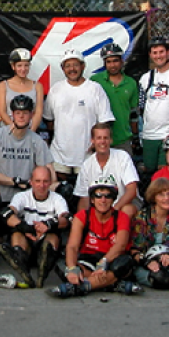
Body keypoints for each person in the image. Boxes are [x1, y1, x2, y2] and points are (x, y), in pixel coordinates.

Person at [49, 177, 140, 298]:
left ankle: (82, 286)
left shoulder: (121, 217)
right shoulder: (82, 216)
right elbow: (72, 246)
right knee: (62, 265)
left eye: (108, 196)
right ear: (92, 199)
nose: (103, 200)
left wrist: (103, 263)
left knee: (124, 264)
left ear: (113, 199)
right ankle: (111, 284)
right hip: (88, 259)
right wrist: (72, 269)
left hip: (112, 259)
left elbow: (121, 245)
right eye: (98, 195)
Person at [43, 49, 114, 180]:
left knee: (86, 193)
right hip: (59, 155)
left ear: (83, 66)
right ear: (63, 68)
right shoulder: (55, 90)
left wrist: (96, 144)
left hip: (87, 153)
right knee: (60, 191)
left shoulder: (95, 89)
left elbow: (104, 121)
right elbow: (49, 120)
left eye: (75, 65)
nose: (72, 69)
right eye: (68, 65)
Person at [0, 166, 70, 288]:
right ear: (31, 182)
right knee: (16, 232)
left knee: (53, 235)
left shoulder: (58, 199)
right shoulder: (21, 196)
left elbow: (66, 219)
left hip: (46, 237)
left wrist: (48, 225)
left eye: (45, 181)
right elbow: (7, 214)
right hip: (27, 239)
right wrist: (26, 228)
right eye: (37, 181)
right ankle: (22, 265)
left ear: (50, 183)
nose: (41, 185)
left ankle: (43, 272)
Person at [0, 94, 56, 206]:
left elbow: (49, 172)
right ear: (12, 114)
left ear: (32, 115)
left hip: (26, 200)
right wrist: (15, 181)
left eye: (25, 113)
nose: (21, 116)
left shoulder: (37, 141)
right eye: (18, 113)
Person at [74, 123, 141, 218]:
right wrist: (82, 220)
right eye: (99, 138)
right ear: (92, 141)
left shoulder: (123, 157)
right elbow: (84, 198)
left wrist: (113, 211)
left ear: (111, 140)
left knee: (127, 210)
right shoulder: (87, 164)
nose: (102, 141)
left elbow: (132, 190)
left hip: (123, 205)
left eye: (105, 138)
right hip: (99, 207)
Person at [90, 43, 139, 155]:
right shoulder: (95, 81)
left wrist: (135, 137)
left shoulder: (131, 83)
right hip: (100, 139)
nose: (112, 65)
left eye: (115, 60)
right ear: (104, 63)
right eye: (109, 61)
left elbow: (134, 113)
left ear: (122, 61)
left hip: (123, 138)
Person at [130, 178, 169, 289]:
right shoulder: (142, 217)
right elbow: (134, 249)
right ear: (154, 197)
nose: (166, 198)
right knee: (161, 279)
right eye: (161, 195)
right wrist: (147, 262)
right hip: (145, 262)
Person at [139, 36, 169, 174]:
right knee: (149, 169)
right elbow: (141, 106)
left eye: (161, 51)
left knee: (164, 171)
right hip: (149, 135)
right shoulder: (146, 78)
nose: (158, 56)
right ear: (150, 55)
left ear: (168, 52)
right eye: (155, 52)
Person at [0, 48, 43, 132]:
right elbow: (2, 111)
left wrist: (31, 131)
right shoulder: (3, 86)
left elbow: (38, 112)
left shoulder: (37, 86)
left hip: (29, 130)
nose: (23, 69)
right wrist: (14, 129)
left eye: (26, 65)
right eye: (19, 66)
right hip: (9, 130)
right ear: (13, 66)